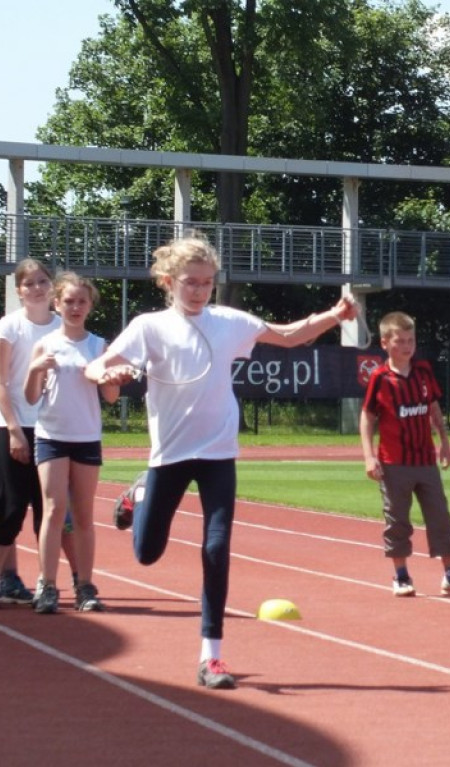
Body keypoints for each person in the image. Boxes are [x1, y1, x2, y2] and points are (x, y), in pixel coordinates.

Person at [86, 234, 357, 690]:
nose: (199, 291)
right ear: (168, 281)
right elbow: (96, 365)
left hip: (218, 453)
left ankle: (211, 656)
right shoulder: (149, 326)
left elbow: (287, 336)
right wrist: (106, 372)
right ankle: (140, 492)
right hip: (170, 454)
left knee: (216, 549)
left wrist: (334, 315)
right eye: (190, 282)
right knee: (146, 553)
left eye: (207, 283)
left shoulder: (229, 321)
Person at [360, 311, 450, 601]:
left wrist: (445, 442)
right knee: (397, 520)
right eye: (400, 341)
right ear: (385, 343)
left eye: (410, 340)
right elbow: (367, 417)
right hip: (394, 463)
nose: (406, 346)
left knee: (440, 517)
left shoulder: (423, 372)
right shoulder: (380, 378)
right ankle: (401, 575)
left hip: (425, 460)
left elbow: (434, 408)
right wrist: (368, 456)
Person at [0, 259, 68, 608]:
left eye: (42, 281)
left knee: (49, 511)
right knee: (11, 506)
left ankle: (47, 584)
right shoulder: (9, 326)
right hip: (14, 426)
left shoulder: (62, 326)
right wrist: (15, 431)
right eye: (29, 283)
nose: (37, 289)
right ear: (19, 290)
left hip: (53, 429)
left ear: (52, 285)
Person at [25, 273, 118, 614]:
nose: (75, 307)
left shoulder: (98, 345)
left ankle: (85, 585)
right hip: (51, 436)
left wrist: (111, 376)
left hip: (86, 437)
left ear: (90, 305)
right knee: (53, 510)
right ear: (57, 304)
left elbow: (111, 396)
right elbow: (31, 397)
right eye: (69, 301)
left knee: (83, 515)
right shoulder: (45, 344)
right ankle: (47, 585)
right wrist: (35, 369)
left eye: (81, 302)